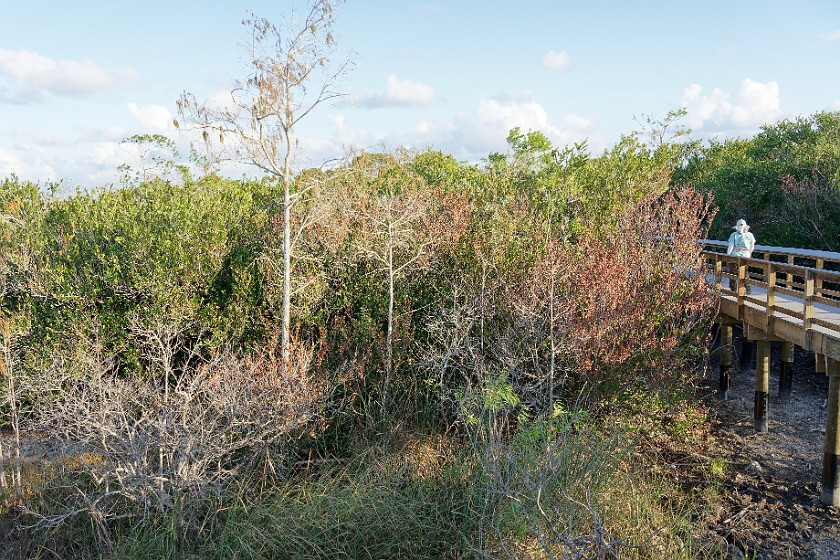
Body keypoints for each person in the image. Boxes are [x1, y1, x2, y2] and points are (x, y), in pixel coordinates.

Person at [726, 219, 756, 293]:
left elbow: (730, 246)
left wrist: (728, 256)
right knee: (745, 272)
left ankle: (733, 289)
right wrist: (749, 253)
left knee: (733, 272)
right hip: (745, 256)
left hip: (735, 255)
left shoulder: (734, 235)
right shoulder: (750, 235)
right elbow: (752, 246)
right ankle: (748, 288)